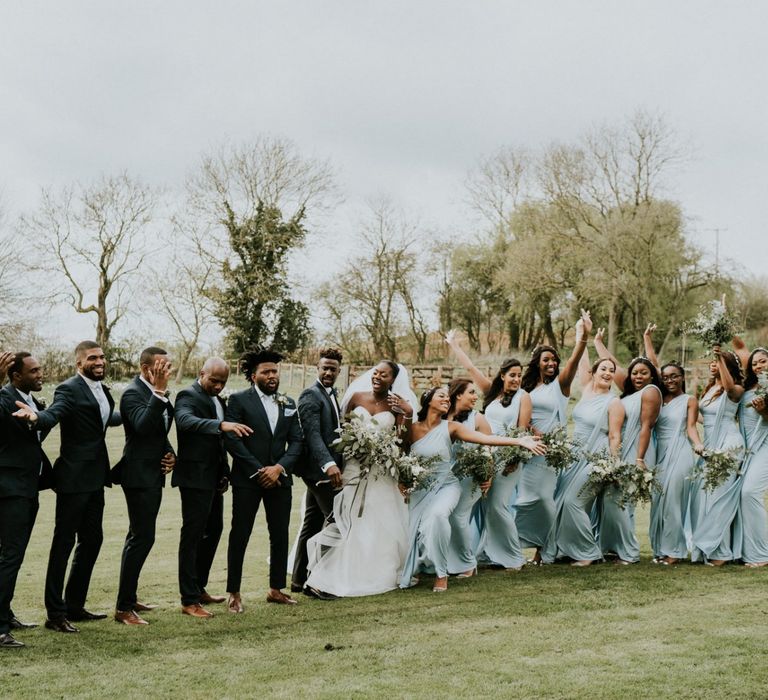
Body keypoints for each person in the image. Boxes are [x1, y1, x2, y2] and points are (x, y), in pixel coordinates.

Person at [401, 386, 545, 592]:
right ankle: (419, 566)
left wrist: (518, 440)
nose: (446, 400)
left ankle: (442, 575)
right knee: (419, 529)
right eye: (441, 396)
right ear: (428, 401)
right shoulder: (413, 429)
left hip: (447, 487)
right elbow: (402, 455)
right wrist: (402, 479)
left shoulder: (452, 427)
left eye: (447, 398)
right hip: (420, 490)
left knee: (439, 517)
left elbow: (486, 439)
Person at [304, 360, 416, 598]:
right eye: (375, 372)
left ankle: (371, 570)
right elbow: (343, 431)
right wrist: (353, 450)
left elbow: (401, 442)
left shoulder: (397, 405)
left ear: (392, 380)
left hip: (379, 472)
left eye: (383, 375)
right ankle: (332, 572)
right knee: (348, 516)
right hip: (353, 467)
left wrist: (407, 413)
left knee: (378, 520)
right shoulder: (356, 397)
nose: (377, 377)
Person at [43, 341, 121, 633]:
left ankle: (74, 605)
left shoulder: (101, 389)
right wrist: (36, 417)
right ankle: (55, 613)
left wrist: (137, 412)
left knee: (92, 540)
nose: (99, 361)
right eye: (92, 358)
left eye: (101, 357)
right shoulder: (68, 389)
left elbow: (102, 418)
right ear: (79, 363)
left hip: (96, 478)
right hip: (73, 480)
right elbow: (55, 414)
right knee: (62, 544)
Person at [224, 347, 303, 610]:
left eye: (274, 371)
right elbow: (232, 440)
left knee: (280, 533)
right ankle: (234, 592)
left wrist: (278, 468)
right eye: (266, 372)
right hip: (248, 479)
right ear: (252, 375)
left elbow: (296, 442)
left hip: (280, 479)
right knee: (240, 534)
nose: (272, 376)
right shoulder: (238, 401)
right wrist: (260, 471)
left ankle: (276, 589)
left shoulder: (289, 403)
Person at [173, 357, 252, 618]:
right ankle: (188, 599)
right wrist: (221, 425)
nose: (218, 386)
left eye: (223, 382)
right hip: (194, 477)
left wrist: (225, 472)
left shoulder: (218, 399)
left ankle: (198, 586)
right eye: (214, 380)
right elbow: (185, 421)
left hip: (214, 477)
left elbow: (219, 446)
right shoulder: (187, 394)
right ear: (201, 373)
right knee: (192, 535)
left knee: (214, 529)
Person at [516, 310, 593, 563]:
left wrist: (583, 337)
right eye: (546, 359)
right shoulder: (525, 388)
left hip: (551, 453)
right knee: (524, 500)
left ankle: (543, 550)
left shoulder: (560, 385)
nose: (552, 363)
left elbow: (573, 360)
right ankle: (510, 544)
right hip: (528, 450)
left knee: (546, 500)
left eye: (554, 360)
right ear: (537, 362)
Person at [542, 352, 625, 566]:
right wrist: (583, 335)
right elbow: (582, 361)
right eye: (603, 369)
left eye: (611, 371)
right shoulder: (587, 389)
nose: (607, 373)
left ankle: (588, 552)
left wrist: (613, 466)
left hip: (597, 459)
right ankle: (566, 549)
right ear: (594, 373)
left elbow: (615, 436)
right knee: (560, 502)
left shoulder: (614, 403)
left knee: (573, 502)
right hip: (574, 457)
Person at [113, 347, 175, 625]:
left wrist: (169, 451)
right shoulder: (132, 393)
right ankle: (123, 608)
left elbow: (158, 431)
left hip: (153, 473)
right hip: (137, 475)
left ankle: (130, 596)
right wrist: (159, 392)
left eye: (168, 368)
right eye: (161, 368)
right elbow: (141, 425)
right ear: (146, 367)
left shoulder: (153, 392)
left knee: (139, 537)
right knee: (142, 538)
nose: (166, 373)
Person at [0, 352, 56, 648]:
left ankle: (5, 614)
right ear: (16, 375)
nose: (40, 374)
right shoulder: (5, 398)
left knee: (12, 556)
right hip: (10, 489)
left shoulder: (31, 400)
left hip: (27, 487)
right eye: (33, 371)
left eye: (40, 369)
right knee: (10, 556)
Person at [593, 332, 662, 564]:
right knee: (613, 500)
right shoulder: (630, 392)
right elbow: (614, 366)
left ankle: (629, 552)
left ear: (652, 375)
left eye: (644, 372)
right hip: (621, 449)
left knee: (620, 501)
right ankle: (612, 547)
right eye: (635, 373)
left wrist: (640, 459)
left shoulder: (651, 392)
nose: (638, 376)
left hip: (637, 451)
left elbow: (646, 426)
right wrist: (598, 343)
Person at [643, 325, 702, 565]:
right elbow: (653, 367)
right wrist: (647, 338)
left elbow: (691, 427)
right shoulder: (657, 396)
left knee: (674, 502)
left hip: (681, 452)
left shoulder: (689, 399)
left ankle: (675, 552)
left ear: (682, 377)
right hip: (660, 455)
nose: (669, 380)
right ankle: (661, 549)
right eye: (666, 377)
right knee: (659, 503)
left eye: (674, 376)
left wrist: (698, 445)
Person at [291, 348, 344, 597]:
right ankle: (317, 581)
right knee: (337, 520)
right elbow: (312, 435)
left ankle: (299, 580)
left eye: (333, 369)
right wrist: (328, 464)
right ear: (317, 368)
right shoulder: (310, 395)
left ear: (339, 371)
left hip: (322, 470)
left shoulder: (331, 394)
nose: (328, 372)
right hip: (318, 471)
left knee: (312, 523)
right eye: (325, 368)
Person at [689, 348, 745, 565]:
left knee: (719, 497)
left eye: (717, 361)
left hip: (729, 445)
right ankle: (705, 548)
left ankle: (721, 553)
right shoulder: (710, 388)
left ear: (727, 365)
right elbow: (707, 418)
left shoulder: (736, 389)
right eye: (712, 362)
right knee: (704, 497)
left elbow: (730, 387)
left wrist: (722, 357)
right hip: (709, 446)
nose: (712, 365)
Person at [442, 378, 493, 577]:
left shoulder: (477, 419)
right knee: (443, 517)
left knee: (458, 516)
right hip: (444, 476)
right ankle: (444, 560)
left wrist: (487, 474)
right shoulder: (441, 416)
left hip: (470, 477)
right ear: (458, 394)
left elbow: (488, 448)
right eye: (471, 392)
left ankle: (467, 563)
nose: (475, 396)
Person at [733, 347, 768, 566]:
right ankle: (745, 550)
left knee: (750, 492)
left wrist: (764, 411)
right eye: (754, 363)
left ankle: (762, 554)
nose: (758, 366)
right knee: (738, 495)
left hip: (765, 444)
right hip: (745, 447)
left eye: (762, 361)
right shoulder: (747, 387)